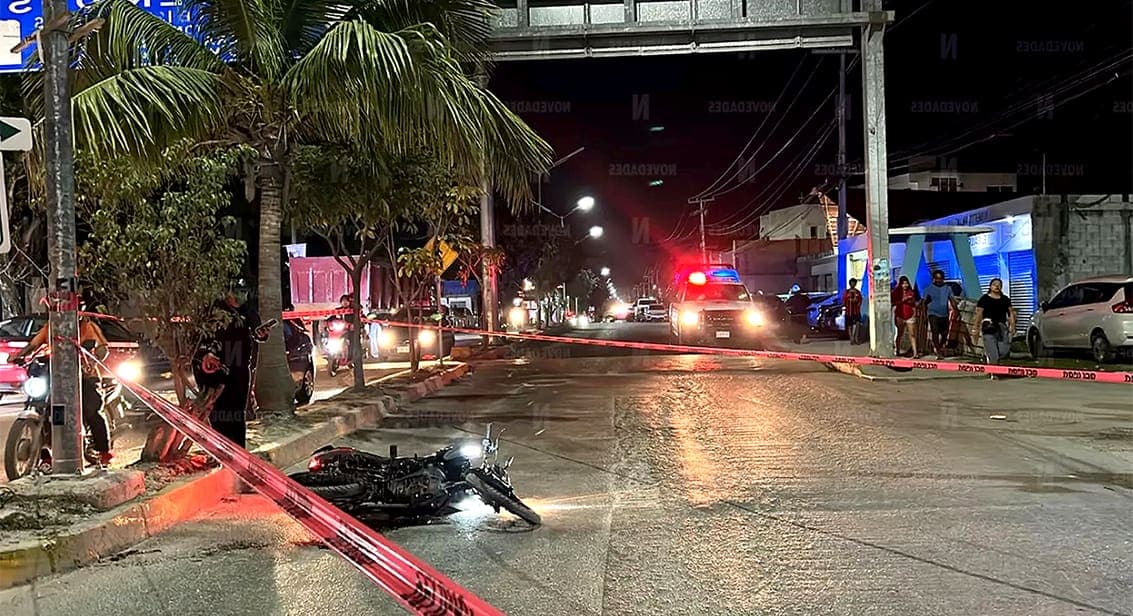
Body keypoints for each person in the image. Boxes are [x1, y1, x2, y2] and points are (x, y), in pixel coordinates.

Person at [12, 305, 114, 466]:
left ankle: (104, 451)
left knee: (91, 410)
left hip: (85, 375)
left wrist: (91, 363)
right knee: (43, 408)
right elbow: (33, 345)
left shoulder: (87, 327)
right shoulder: (51, 327)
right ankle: (45, 455)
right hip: (57, 375)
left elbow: (102, 349)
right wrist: (19, 356)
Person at [193, 291, 269, 448]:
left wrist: (261, 333)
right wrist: (207, 354)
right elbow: (201, 339)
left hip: (240, 370)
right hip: (215, 371)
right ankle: (222, 451)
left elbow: (258, 331)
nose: (241, 296)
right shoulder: (214, 310)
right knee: (219, 415)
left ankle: (238, 451)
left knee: (237, 415)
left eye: (243, 291)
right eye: (237, 292)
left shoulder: (248, 310)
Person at [973, 278, 1015, 372]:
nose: (997, 286)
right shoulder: (984, 299)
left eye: (999, 284)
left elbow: (1011, 313)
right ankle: (994, 372)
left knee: (1003, 351)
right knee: (993, 354)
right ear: (990, 286)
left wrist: (1013, 326)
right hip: (988, 328)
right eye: (994, 284)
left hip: (1002, 328)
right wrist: (976, 327)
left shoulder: (1005, 299)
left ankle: (988, 356)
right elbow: (979, 313)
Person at [922, 270, 957, 357]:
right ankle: (938, 351)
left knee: (945, 333)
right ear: (933, 279)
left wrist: (956, 310)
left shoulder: (947, 288)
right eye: (937, 278)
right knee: (935, 331)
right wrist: (924, 315)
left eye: (941, 278)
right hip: (932, 313)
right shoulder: (928, 289)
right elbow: (924, 303)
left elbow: (952, 299)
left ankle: (940, 346)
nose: (939, 280)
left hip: (944, 314)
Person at [891, 275, 920, 357]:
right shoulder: (896, 292)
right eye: (903, 283)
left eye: (906, 283)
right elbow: (892, 303)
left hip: (910, 315)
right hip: (900, 315)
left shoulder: (912, 292)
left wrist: (914, 312)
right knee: (900, 334)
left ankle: (915, 353)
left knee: (912, 334)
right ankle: (897, 350)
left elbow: (914, 304)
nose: (905, 285)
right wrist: (902, 301)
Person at [843, 278, 864, 345]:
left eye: (854, 283)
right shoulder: (847, 292)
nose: (853, 284)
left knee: (857, 324)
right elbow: (844, 300)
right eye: (852, 283)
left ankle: (856, 338)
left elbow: (860, 300)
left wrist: (857, 302)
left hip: (856, 311)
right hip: (849, 311)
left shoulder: (857, 292)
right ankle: (851, 338)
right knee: (849, 325)